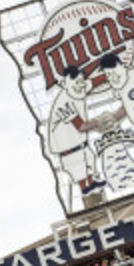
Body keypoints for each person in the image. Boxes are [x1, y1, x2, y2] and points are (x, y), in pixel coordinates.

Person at [47, 65, 106, 196]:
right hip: (68, 149)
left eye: (81, 81)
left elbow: (95, 82)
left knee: (90, 160)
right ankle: (85, 187)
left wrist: (109, 71)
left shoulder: (79, 87)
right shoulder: (63, 101)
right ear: (64, 83)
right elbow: (81, 126)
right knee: (79, 169)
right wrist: (101, 121)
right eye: (76, 82)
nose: (81, 85)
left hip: (81, 144)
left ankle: (91, 183)